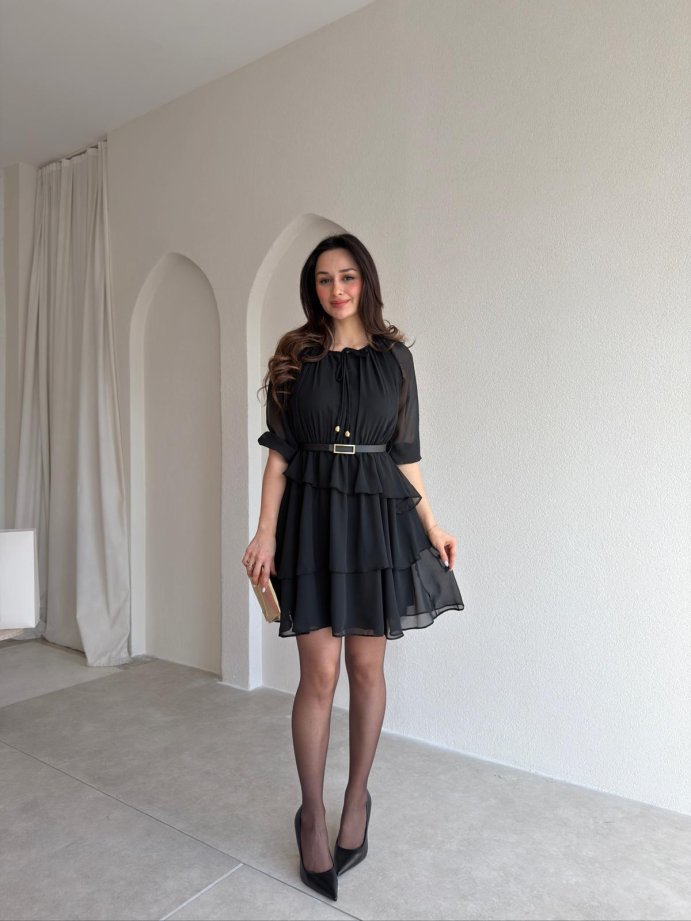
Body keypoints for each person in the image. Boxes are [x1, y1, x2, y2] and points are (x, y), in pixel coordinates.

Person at [242, 233, 465, 902]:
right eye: (323, 279)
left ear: (364, 281)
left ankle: (356, 798)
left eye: (346, 277)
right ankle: (311, 813)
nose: (335, 289)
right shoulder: (295, 354)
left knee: (367, 669)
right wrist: (264, 532)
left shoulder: (395, 359)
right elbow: (279, 456)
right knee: (319, 674)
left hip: (374, 523)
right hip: (311, 522)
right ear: (311, 288)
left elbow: (406, 454)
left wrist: (431, 524)